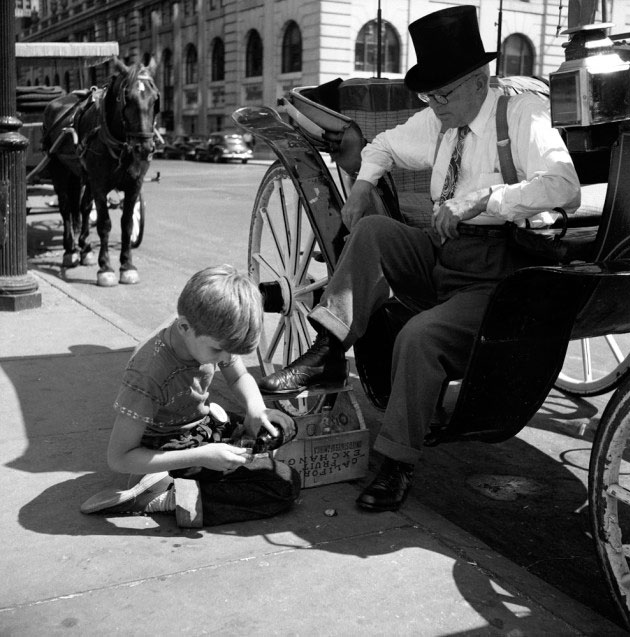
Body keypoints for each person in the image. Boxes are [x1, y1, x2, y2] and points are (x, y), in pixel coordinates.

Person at [258, 6, 581, 512]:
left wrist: (483, 200)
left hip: (496, 277)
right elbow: (383, 145)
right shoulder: (441, 119)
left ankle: (396, 464)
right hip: (441, 250)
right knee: (372, 231)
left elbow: (565, 187)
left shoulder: (520, 114)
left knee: (420, 336)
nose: (433, 104)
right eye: (428, 94)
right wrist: (363, 186)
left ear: (480, 79)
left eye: (442, 93)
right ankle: (325, 353)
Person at [81, 265, 300, 527]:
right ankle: (167, 496)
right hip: (165, 447)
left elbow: (239, 376)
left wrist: (255, 409)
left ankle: (224, 454)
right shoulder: (148, 373)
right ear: (184, 326)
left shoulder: (208, 332)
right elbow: (118, 458)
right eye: (218, 350)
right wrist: (202, 456)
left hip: (200, 428)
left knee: (281, 424)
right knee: (284, 485)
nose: (223, 358)